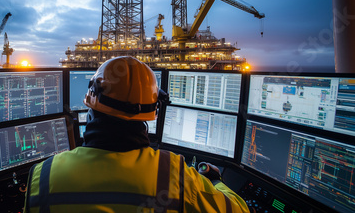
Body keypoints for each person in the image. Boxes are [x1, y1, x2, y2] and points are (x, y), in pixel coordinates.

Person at [24, 56, 249, 212]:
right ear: (149, 117)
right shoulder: (174, 174)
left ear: (91, 111)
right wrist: (215, 180)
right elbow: (239, 209)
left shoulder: (42, 176)